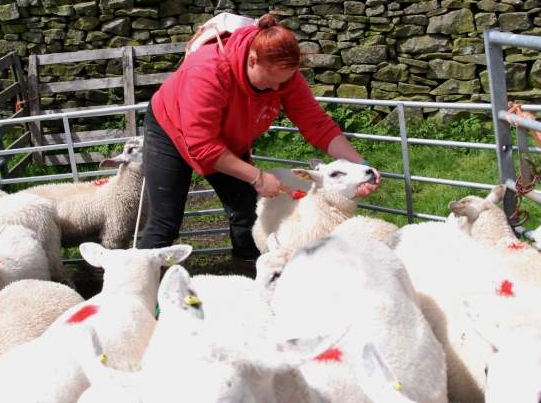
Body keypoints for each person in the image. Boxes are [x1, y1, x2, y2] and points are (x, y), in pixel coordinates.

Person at [138, 13, 380, 263]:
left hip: (228, 139)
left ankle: (250, 276)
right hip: (170, 130)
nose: (277, 90)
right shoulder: (207, 70)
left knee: (247, 213)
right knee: (165, 221)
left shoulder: (282, 76)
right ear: (252, 60)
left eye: (282, 83)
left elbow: (317, 124)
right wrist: (258, 177)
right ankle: (136, 290)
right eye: (270, 82)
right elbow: (202, 145)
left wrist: (362, 167)